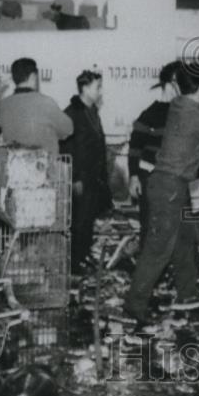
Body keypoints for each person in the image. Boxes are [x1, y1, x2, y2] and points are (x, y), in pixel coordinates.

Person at [123, 61, 199, 328]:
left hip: (169, 185)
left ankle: (188, 293)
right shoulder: (197, 117)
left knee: (183, 239)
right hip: (170, 188)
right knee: (158, 249)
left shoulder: (177, 105)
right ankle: (134, 305)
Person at [61, 70, 112, 272]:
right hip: (80, 180)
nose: (100, 91)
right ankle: (74, 263)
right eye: (97, 87)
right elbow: (65, 149)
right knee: (78, 222)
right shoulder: (71, 114)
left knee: (88, 220)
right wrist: (74, 178)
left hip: (93, 179)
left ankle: (83, 255)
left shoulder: (93, 112)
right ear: (85, 88)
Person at [128, 61, 179, 248]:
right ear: (169, 84)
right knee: (150, 228)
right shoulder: (150, 114)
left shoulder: (182, 113)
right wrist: (134, 176)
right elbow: (135, 148)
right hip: (150, 179)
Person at [0, 57, 73, 155]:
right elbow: (68, 129)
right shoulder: (45, 102)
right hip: (44, 163)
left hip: (14, 163)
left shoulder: (4, 105)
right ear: (33, 76)